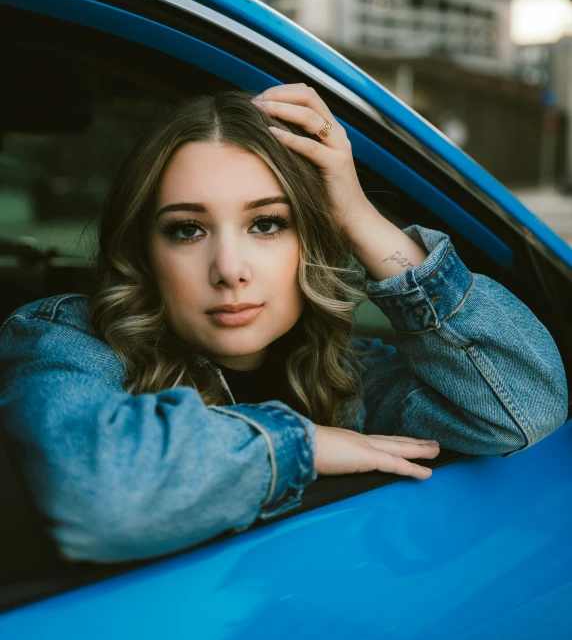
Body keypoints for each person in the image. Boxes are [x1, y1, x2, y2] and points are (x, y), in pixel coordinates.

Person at [0, 85, 567, 564]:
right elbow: (104, 496)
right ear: (144, 251)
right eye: (186, 230)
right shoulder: (68, 341)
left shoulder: (352, 373)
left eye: (267, 224)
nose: (229, 270)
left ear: (312, 242)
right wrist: (305, 445)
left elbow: (524, 407)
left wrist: (358, 216)